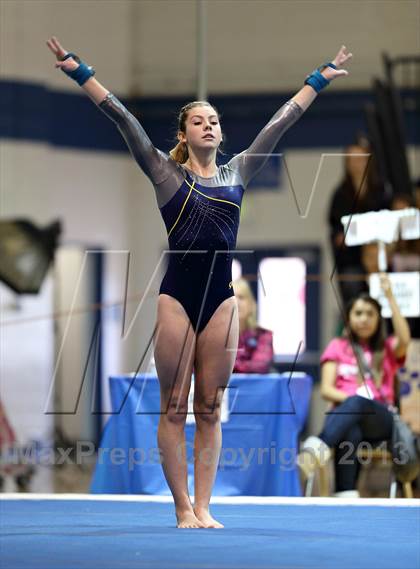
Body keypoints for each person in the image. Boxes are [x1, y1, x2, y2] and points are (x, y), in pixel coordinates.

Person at [47, 37, 352, 527]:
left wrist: (317, 79)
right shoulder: (166, 175)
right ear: (184, 135)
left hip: (221, 301)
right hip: (178, 298)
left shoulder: (237, 173)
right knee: (175, 406)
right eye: (198, 121)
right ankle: (182, 506)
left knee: (209, 407)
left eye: (214, 121)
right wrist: (81, 72)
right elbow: (124, 120)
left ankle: (205, 505)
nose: (209, 126)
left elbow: (281, 123)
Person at [298, 274, 410, 497]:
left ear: (379, 319)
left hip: (381, 421)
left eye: (370, 314)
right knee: (351, 428)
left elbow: (404, 339)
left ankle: (317, 447)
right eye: (358, 313)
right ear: (348, 318)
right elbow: (327, 390)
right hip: (346, 419)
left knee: (359, 403)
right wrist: (351, 400)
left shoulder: (386, 349)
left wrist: (390, 297)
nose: (364, 319)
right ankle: (346, 494)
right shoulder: (337, 347)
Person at [327, 138, 386, 306]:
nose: (356, 164)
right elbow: (335, 231)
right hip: (351, 262)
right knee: (354, 296)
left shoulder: (380, 190)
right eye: (352, 160)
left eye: (360, 159)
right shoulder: (340, 194)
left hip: (377, 259)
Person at [232, 278, 274, 374]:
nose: (236, 302)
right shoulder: (213, 337)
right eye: (232, 298)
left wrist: (230, 366)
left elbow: (260, 365)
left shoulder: (263, 336)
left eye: (241, 297)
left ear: (252, 305)